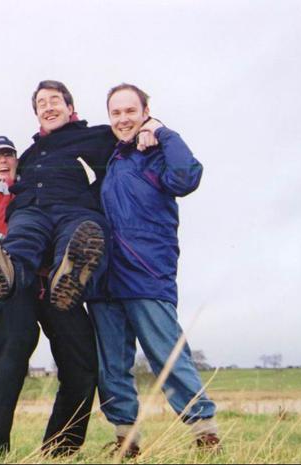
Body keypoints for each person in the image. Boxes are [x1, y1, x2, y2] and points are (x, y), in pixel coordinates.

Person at [88, 83, 220, 457]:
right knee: (111, 367)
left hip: (145, 273)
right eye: (116, 113)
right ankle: (126, 440)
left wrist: (163, 131)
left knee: (168, 356)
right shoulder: (109, 159)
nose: (123, 118)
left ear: (145, 110)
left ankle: (205, 433)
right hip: (104, 281)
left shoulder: (157, 153)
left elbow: (187, 177)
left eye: (131, 111)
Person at [0, 135, 100, 458]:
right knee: (13, 343)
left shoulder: (31, 192)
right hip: (6, 285)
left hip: (50, 283)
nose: (4, 161)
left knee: (83, 359)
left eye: (9, 155)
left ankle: (61, 449)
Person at [0, 81, 119, 312]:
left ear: (70, 107)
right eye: (41, 104)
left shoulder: (98, 136)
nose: (48, 108)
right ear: (37, 114)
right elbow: (2, 179)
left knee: (80, 238)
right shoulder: (29, 156)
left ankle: (68, 281)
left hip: (75, 208)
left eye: (54, 101)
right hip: (31, 210)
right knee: (21, 241)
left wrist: (152, 128)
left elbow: (130, 130)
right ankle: (4, 272)